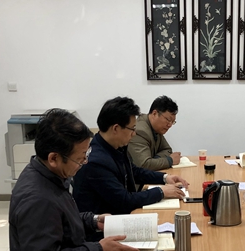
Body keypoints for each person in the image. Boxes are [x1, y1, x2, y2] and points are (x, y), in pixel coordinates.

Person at [9, 109, 138, 251]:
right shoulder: (37, 198)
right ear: (53, 158)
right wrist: (98, 250)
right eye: (80, 158)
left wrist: (92, 220)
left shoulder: (48, 176)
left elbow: (57, 221)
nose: (85, 162)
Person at [73, 96, 189, 226]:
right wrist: (161, 192)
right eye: (132, 129)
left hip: (120, 217)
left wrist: (164, 177)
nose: (134, 134)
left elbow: (133, 171)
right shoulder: (97, 162)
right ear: (116, 128)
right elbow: (124, 200)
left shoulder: (115, 146)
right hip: (104, 229)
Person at [128, 95, 180, 170]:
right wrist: (170, 161)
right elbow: (144, 164)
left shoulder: (157, 129)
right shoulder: (139, 131)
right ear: (154, 113)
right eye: (168, 120)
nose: (170, 125)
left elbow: (167, 150)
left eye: (172, 122)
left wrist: (155, 160)